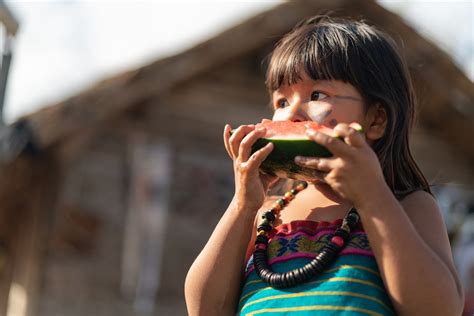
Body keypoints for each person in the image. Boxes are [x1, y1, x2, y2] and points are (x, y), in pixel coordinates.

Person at [184, 16, 464, 315]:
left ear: (376, 119)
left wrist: (374, 199)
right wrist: (243, 204)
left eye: (317, 95)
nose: (290, 114)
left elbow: (438, 309)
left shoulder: (408, 207)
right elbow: (204, 308)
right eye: (280, 102)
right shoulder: (265, 213)